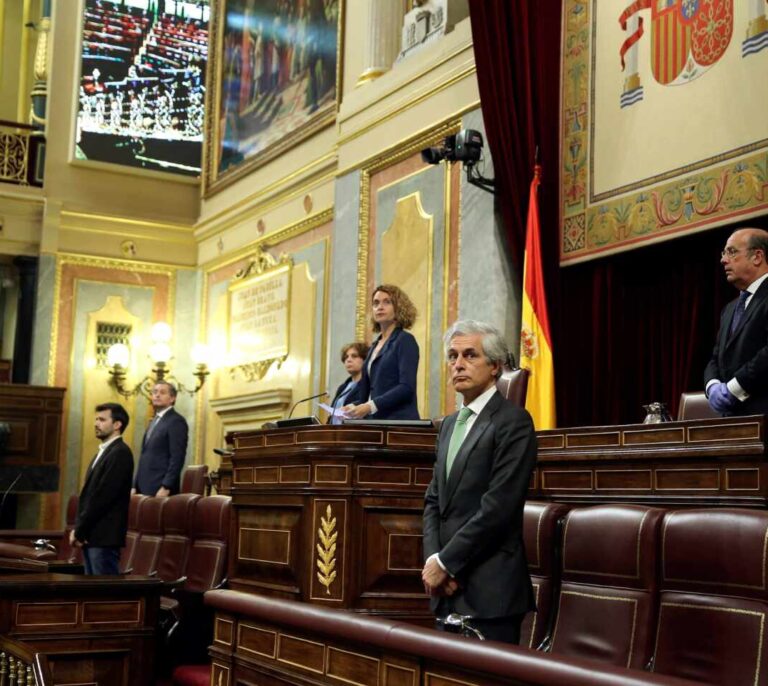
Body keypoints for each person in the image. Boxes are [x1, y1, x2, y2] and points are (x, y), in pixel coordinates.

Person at [422, 320, 537, 644]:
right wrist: (434, 560)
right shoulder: (447, 426)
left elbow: (498, 507)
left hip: (490, 593)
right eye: (452, 356)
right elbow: (434, 502)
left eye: (470, 355)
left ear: (495, 366)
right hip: (446, 589)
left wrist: (446, 562)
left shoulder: (513, 422)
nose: (458, 364)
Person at [705, 227, 768, 416]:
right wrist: (713, 385)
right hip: (734, 424)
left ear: (757, 257)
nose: (723, 260)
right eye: (724, 253)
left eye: (731, 252)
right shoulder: (730, 309)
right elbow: (716, 357)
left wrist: (734, 387)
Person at [71, 403, 134, 575]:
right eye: (96, 419)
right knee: (92, 595)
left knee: (105, 595)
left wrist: (79, 529)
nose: (96, 423)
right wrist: (81, 529)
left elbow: (102, 497)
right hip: (92, 536)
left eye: (102, 419)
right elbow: (89, 495)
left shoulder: (120, 452)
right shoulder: (103, 452)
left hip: (104, 537)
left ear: (117, 425)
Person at [345, 284, 420, 420]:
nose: (380, 307)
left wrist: (370, 406)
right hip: (375, 424)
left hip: (398, 424)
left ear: (398, 308)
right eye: (376, 303)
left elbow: (406, 387)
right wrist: (351, 407)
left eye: (387, 302)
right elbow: (368, 395)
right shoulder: (374, 346)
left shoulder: (405, 340)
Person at [133, 381, 188, 496]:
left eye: (162, 393)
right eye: (154, 392)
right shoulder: (154, 420)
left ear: (172, 398)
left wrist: (166, 486)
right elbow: (145, 455)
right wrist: (134, 485)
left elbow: (177, 458)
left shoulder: (176, 421)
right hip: (142, 487)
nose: (157, 395)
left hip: (160, 489)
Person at [328, 341, 369, 424]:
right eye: (346, 357)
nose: (348, 360)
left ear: (365, 359)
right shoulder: (343, 387)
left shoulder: (368, 386)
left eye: (354, 356)